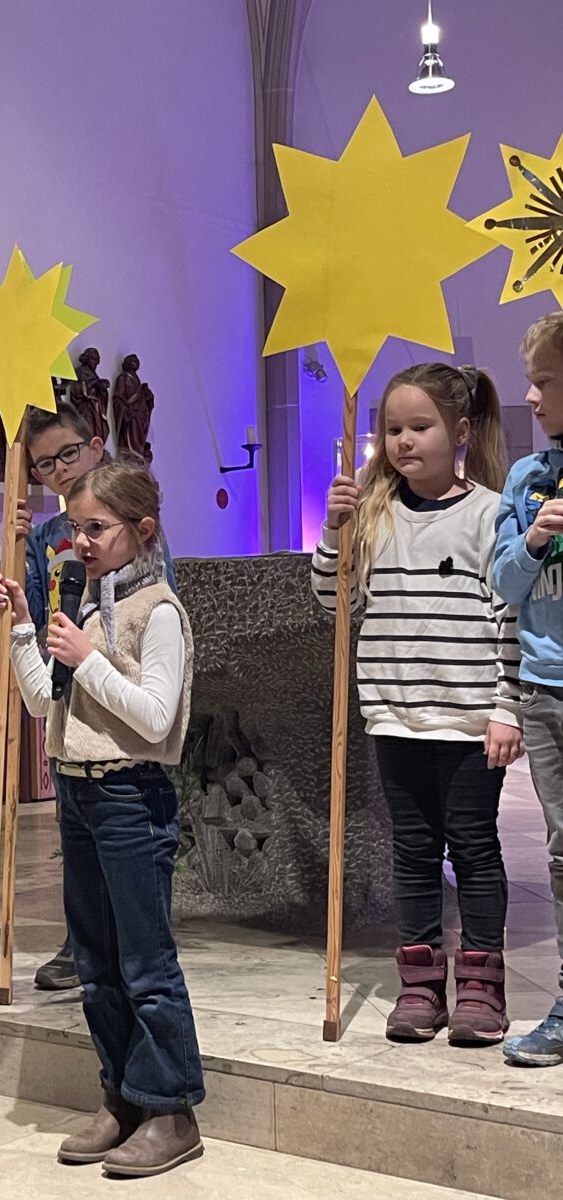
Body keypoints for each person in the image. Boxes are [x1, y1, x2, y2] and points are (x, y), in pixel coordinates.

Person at [0, 458, 204, 1177]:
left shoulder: (158, 611)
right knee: (96, 961)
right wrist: (23, 629)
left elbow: (154, 716)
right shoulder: (84, 603)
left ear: (142, 529)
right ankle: (120, 1096)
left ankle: (170, 1109)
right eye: (76, 527)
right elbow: (42, 703)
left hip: (130, 796)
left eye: (97, 527)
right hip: (77, 791)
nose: (80, 541)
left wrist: (88, 660)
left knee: (145, 961)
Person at [312, 363, 522, 1044]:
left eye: (420, 427)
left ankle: (482, 986)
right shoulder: (373, 513)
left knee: (474, 847)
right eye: (394, 429)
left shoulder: (490, 513)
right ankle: (421, 984)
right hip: (396, 713)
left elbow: (509, 616)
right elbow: (336, 602)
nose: (404, 441)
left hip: (467, 718)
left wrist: (506, 707)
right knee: (412, 850)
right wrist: (333, 532)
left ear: (459, 432)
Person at [20, 401, 177, 990]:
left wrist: (93, 657)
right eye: (43, 464)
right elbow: (41, 608)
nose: (58, 469)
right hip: (69, 692)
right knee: (78, 834)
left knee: (129, 852)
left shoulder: (127, 521)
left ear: (94, 445)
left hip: (123, 707)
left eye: (67, 453)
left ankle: (135, 938)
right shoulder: (46, 535)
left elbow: (151, 603)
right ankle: (81, 939)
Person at [494, 313, 563, 1067]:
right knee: (562, 850)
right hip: (545, 690)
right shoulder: (525, 478)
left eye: (544, 381)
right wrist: (535, 538)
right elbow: (505, 584)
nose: (532, 397)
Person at [113, 354, 154, 463]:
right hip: (131, 416)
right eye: (132, 361)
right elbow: (118, 398)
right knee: (131, 440)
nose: (134, 363)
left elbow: (142, 400)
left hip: (140, 416)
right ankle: (131, 458)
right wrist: (125, 411)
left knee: (138, 441)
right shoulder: (123, 378)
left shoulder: (137, 381)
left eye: (136, 361)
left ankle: (137, 457)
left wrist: (148, 398)